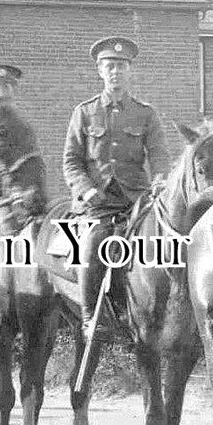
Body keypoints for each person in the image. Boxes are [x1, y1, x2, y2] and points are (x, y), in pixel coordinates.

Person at [61, 36, 170, 343]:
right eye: (109, 66)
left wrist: (160, 180)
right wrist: (86, 190)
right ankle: (89, 317)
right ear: (100, 71)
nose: (115, 72)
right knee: (94, 243)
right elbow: (71, 160)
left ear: (130, 71)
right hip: (98, 202)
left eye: (121, 66)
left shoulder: (146, 113)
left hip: (136, 199)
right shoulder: (84, 113)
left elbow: (160, 155)